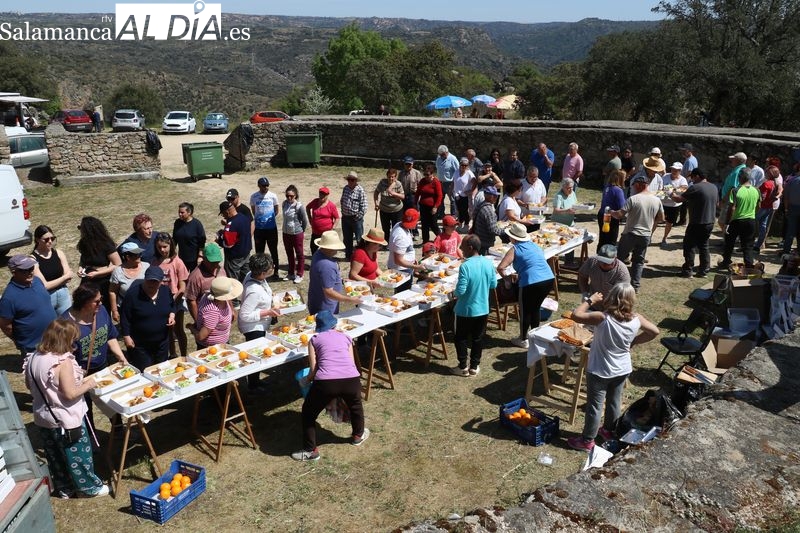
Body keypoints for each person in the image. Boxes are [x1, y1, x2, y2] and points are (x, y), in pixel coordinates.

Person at [567, 284, 659, 452]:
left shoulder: (602, 318)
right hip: (622, 369)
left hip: (600, 370)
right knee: (614, 402)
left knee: (595, 406)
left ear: (611, 298)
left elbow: (575, 315)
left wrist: (590, 300)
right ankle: (609, 430)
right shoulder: (636, 319)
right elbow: (654, 331)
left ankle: (587, 440)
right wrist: (635, 341)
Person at [23, 319, 109, 499]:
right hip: (66, 418)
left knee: (55, 456)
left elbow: (29, 386)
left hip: (43, 417)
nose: (74, 344)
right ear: (64, 339)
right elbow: (70, 394)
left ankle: (64, 488)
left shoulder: (33, 358)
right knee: (78, 456)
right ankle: (89, 488)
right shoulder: (63, 362)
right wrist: (88, 384)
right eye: (72, 340)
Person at [291, 310, 368, 462]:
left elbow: (313, 371)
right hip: (351, 379)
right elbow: (351, 363)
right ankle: (358, 435)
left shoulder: (314, 339)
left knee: (308, 412)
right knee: (356, 406)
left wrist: (305, 381)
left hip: (326, 382)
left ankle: (310, 451)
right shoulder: (346, 337)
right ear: (334, 325)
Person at [62, 284, 127, 429]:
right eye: (96, 301)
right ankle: (91, 437)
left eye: (101, 299)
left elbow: (110, 336)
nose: (101, 303)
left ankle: (118, 429)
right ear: (84, 303)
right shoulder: (66, 323)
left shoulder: (101, 311)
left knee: (110, 399)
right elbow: (63, 356)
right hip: (79, 373)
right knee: (85, 406)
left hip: (102, 367)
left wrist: (121, 357)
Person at [497, 223, 554, 349]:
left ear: (514, 238)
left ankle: (523, 339)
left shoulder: (515, 249)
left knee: (525, 310)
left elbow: (501, 267)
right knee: (535, 308)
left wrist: (507, 279)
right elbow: (533, 262)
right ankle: (536, 336)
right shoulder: (535, 246)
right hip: (548, 278)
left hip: (531, 282)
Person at [451, 235, 497, 377]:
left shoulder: (465, 266)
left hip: (465, 309)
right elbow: (493, 284)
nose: (460, 249)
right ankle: (474, 366)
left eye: (463, 246)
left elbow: (461, 291)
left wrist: (453, 293)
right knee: (478, 338)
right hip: (482, 308)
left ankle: (463, 366)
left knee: (461, 338)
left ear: (470, 248)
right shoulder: (488, 263)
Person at [612, 175, 664, 292]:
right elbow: (661, 218)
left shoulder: (633, 199)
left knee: (620, 259)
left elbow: (620, 214)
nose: (633, 188)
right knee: (638, 261)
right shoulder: (656, 200)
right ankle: (635, 286)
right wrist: (651, 223)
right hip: (645, 235)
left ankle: (618, 283)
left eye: (635, 185)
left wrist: (611, 212)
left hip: (630, 234)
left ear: (640, 185)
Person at [238, 254, 281, 390]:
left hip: (260, 324)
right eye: (270, 267)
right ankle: (253, 385)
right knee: (255, 355)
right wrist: (267, 312)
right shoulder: (254, 291)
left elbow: (264, 289)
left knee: (257, 352)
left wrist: (271, 295)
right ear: (263, 273)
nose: (273, 267)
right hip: (253, 327)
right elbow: (244, 315)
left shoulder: (253, 275)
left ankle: (255, 381)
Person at [120, 266, 176, 371]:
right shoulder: (132, 295)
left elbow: (172, 305)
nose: (151, 284)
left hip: (162, 342)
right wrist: (126, 336)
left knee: (162, 370)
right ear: (145, 278)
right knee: (145, 370)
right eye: (149, 280)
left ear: (161, 282)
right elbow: (125, 317)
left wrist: (172, 315)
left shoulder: (165, 291)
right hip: (141, 344)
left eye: (155, 282)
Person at [0, 254, 57, 357]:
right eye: (25, 270)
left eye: (31, 268)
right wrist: (20, 340)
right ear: (14, 272)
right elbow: (5, 325)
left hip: (55, 337)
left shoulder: (37, 281)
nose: (30, 272)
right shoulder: (9, 298)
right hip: (34, 346)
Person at [672, 168, 719, 278]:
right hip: (710, 221)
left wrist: (670, 194)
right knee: (704, 246)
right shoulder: (714, 187)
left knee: (689, 246)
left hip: (697, 221)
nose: (692, 180)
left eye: (692, 177)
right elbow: (716, 203)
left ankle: (688, 270)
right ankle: (704, 270)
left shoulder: (695, 188)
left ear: (697, 176)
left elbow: (679, 199)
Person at [151, 232, 190, 357]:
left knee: (178, 329)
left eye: (165, 247)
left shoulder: (177, 262)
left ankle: (184, 355)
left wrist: (175, 297)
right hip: (161, 301)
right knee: (168, 330)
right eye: (159, 247)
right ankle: (172, 354)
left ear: (170, 245)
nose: (162, 250)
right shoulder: (155, 262)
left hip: (175, 300)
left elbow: (182, 285)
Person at [307, 231, 361, 315]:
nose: (337, 249)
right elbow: (328, 292)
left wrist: (340, 280)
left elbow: (323, 277)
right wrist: (350, 299)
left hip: (316, 302)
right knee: (328, 327)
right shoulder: (328, 265)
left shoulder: (317, 254)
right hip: (326, 309)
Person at [76, 216, 122, 311]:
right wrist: (80, 268)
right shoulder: (84, 243)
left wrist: (98, 273)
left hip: (103, 281)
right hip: (88, 280)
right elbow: (83, 259)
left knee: (102, 307)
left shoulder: (106, 244)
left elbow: (117, 264)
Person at [719, 168, 759, 269]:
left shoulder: (736, 190)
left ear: (740, 177)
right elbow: (759, 206)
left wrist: (727, 223)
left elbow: (732, 208)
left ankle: (726, 262)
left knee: (729, 243)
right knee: (748, 245)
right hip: (751, 220)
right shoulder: (756, 190)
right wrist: (752, 215)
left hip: (737, 220)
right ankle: (749, 266)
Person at [188, 277, 242, 349]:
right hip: (212, 349)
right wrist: (191, 327)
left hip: (222, 344)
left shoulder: (215, 298)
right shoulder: (212, 311)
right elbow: (201, 336)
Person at [31, 225, 74, 316]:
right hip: (47, 296)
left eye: (52, 238)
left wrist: (64, 278)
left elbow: (69, 278)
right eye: (46, 239)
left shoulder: (59, 253)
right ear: (37, 240)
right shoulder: (32, 259)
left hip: (63, 294)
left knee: (67, 324)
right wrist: (64, 278)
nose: (50, 241)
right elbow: (45, 286)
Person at [108, 242, 149, 322]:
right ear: (127, 257)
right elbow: (112, 292)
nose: (140, 256)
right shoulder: (117, 272)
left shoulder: (146, 266)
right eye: (137, 254)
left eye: (140, 253)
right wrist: (114, 311)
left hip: (145, 305)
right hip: (126, 308)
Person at [185, 243, 226, 323]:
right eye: (212, 262)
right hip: (206, 318)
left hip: (222, 315)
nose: (215, 265)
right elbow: (191, 301)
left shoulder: (221, 270)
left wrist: (231, 309)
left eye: (217, 261)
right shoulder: (195, 277)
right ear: (204, 258)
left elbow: (226, 292)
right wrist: (198, 322)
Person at [388, 209, 426, 292]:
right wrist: (416, 267)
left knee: (402, 292)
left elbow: (405, 250)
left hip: (403, 266)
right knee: (403, 293)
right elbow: (398, 260)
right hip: (402, 269)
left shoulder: (399, 224)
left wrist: (411, 259)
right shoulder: (401, 237)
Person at [218, 200, 252, 289]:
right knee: (248, 279)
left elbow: (228, 244)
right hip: (246, 254)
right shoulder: (244, 218)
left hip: (234, 258)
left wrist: (219, 240)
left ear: (227, 211)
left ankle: (235, 302)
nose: (224, 216)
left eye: (223, 214)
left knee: (233, 283)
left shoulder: (231, 224)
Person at [250, 177, 280, 275]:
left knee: (273, 250)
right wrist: (260, 219)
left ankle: (275, 270)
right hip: (259, 229)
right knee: (259, 252)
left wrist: (268, 219)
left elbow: (276, 210)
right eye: (263, 186)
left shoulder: (273, 196)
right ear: (259, 186)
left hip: (271, 229)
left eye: (267, 185)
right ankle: (260, 271)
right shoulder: (254, 196)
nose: (266, 187)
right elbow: (253, 210)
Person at [656, 162, 689, 247]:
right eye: (672, 169)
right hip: (662, 203)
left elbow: (683, 189)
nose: (673, 171)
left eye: (676, 170)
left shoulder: (683, 180)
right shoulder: (665, 176)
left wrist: (670, 189)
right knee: (656, 220)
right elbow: (660, 188)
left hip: (674, 205)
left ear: (680, 171)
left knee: (669, 223)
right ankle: (649, 237)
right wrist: (669, 190)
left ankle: (664, 238)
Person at [281, 185, 308, 284]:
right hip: (286, 233)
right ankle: (291, 272)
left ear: (295, 195)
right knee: (289, 253)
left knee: (299, 254)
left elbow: (304, 221)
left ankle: (300, 274)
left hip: (296, 233)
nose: (289, 198)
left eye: (291, 196)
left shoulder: (299, 206)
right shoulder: (284, 204)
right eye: (287, 195)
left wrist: (301, 231)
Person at [340, 170, 368, 260]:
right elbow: (342, 200)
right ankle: (348, 256)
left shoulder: (360, 190)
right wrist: (343, 212)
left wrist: (358, 216)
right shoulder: (345, 188)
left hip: (356, 219)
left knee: (359, 239)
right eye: (349, 180)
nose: (350, 181)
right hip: (345, 217)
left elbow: (364, 206)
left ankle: (360, 257)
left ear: (356, 181)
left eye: (352, 180)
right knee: (347, 239)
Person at [597, 169, 626, 251]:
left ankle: (599, 255)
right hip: (611, 217)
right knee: (611, 240)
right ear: (619, 178)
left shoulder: (607, 187)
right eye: (624, 177)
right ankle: (608, 259)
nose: (625, 179)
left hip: (602, 214)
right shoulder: (618, 190)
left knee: (603, 238)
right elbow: (622, 206)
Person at [172, 202, 205, 272]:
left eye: (182, 212)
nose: (179, 214)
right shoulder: (177, 223)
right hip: (182, 258)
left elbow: (202, 242)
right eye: (179, 212)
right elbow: (174, 239)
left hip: (194, 259)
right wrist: (172, 252)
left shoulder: (197, 224)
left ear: (189, 212)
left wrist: (200, 256)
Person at [306, 187, 340, 256]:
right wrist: (310, 218)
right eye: (320, 194)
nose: (322, 196)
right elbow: (308, 207)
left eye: (324, 194)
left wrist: (333, 228)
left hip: (326, 234)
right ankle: (315, 263)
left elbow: (337, 218)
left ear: (327, 195)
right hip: (315, 232)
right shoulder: (315, 201)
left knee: (325, 250)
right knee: (313, 248)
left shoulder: (331, 206)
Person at [373, 168, 404, 241]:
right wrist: (376, 203)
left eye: (393, 177)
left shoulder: (398, 184)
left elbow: (402, 196)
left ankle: (394, 242)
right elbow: (376, 192)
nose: (391, 178)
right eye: (389, 176)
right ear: (387, 176)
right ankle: (386, 242)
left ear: (395, 177)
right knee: (385, 228)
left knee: (396, 228)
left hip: (396, 210)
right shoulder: (382, 182)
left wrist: (393, 193)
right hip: (384, 209)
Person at [755, 166, 781, 253]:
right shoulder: (775, 183)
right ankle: (758, 246)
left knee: (752, 224)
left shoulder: (766, 184)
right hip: (769, 207)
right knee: (763, 226)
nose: (765, 173)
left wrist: (757, 202)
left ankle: (748, 244)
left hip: (762, 207)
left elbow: (762, 196)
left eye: (766, 172)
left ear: (769, 174)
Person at [415, 163, 443, 243]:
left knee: (433, 224)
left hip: (432, 207)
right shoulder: (422, 181)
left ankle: (441, 238)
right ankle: (425, 241)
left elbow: (439, 196)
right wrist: (415, 202)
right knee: (424, 225)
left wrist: (435, 207)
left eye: (428, 175)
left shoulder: (436, 182)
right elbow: (418, 193)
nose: (426, 176)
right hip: (423, 206)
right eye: (425, 174)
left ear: (432, 174)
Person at [472, 186, 504, 255]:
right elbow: (493, 230)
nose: (496, 198)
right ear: (490, 196)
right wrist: (506, 230)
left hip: (478, 240)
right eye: (495, 195)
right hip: (485, 244)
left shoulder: (480, 205)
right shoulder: (489, 211)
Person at [719, 152, 748, 230]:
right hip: (735, 198)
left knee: (722, 221)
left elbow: (733, 187)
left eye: (733, 159)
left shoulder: (737, 172)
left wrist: (723, 200)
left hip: (730, 199)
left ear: (738, 161)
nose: (731, 161)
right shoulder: (743, 169)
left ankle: (727, 238)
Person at [435, 145, 459, 218]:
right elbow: (437, 168)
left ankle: (453, 215)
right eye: (440, 155)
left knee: (452, 199)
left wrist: (454, 182)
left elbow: (457, 171)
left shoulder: (453, 158)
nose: (441, 156)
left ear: (446, 152)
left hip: (450, 183)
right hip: (440, 182)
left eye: (443, 155)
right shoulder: (439, 158)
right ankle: (441, 214)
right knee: (440, 198)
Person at [453, 157, 475, 228]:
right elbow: (454, 181)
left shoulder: (469, 173)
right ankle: (460, 222)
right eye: (462, 165)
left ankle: (466, 223)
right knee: (459, 209)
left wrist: (471, 191)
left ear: (468, 166)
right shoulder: (456, 172)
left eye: (466, 165)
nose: (464, 167)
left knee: (465, 210)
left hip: (465, 195)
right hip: (457, 194)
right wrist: (451, 190)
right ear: (460, 165)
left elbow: (475, 182)